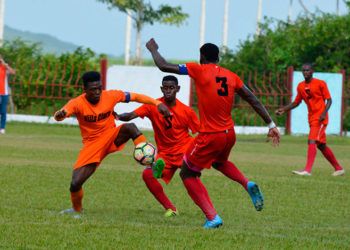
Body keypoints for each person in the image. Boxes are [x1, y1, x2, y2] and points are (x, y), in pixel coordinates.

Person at [145, 38, 280, 228]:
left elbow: (163, 66)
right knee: (219, 162)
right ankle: (246, 183)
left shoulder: (198, 70)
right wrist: (271, 124)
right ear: (218, 57)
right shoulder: (232, 76)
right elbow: (253, 99)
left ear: (202, 57)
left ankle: (212, 217)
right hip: (229, 134)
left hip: (210, 135)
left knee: (187, 173)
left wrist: (153, 49)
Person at [54, 71, 171, 218]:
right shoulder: (77, 103)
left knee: (130, 127)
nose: (97, 92)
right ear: (84, 90)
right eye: (93, 89)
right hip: (92, 145)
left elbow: (136, 96)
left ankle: (151, 162)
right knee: (75, 183)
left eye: (99, 88)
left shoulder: (111, 95)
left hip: (111, 136)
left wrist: (157, 103)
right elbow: (64, 112)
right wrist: (60, 115)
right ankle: (76, 210)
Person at [117, 75, 200, 217]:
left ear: (177, 89)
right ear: (161, 88)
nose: (168, 91)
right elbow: (131, 115)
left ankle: (209, 212)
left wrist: (198, 154)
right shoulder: (152, 106)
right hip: (165, 154)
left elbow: (200, 133)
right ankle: (171, 208)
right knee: (147, 175)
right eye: (165, 88)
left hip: (184, 151)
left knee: (191, 179)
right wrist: (117, 116)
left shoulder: (187, 111)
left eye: (171, 88)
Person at [276, 63, 345, 177]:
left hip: (321, 119)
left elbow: (329, 100)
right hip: (312, 118)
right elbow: (296, 102)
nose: (305, 72)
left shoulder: (320, 83)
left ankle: (307, 170)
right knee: (321, 145)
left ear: (312, 71)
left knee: (312, 140)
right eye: (303, 70)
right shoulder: (300, 86)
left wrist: (323, 113)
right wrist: (284, 109)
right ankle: (339, 168)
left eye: (307, 70)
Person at [0, 56, 16, 134]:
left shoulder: (4, 67)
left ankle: (2, 128)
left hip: (4, 93)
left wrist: (4, 64)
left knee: (3, 111)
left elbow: (13, 72)